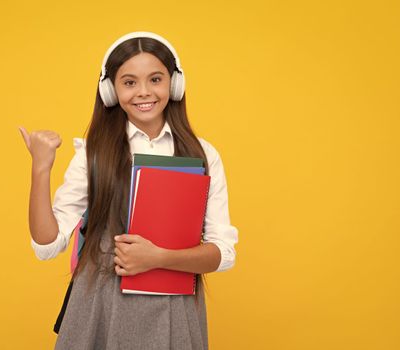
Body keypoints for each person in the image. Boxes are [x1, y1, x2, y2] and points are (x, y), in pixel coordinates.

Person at [19, 31, 239, 350]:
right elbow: (47, 245)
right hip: (100, 307)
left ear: (174, 84)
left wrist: (158, 257)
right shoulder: (92, 152)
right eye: (129, 82)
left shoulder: (203, 155)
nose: (144, 92)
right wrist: (41, 168)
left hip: (175, 310)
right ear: (110, 90)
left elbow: (224, 254)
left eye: (155, 79)